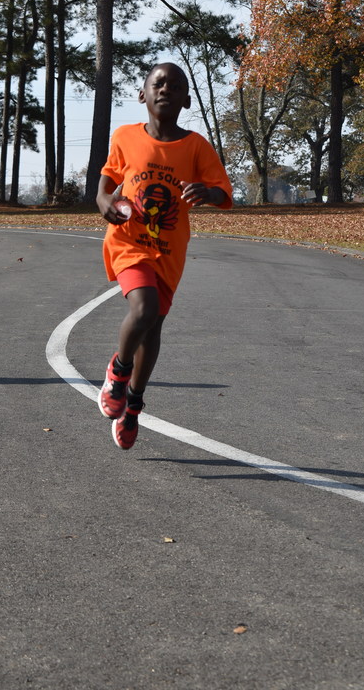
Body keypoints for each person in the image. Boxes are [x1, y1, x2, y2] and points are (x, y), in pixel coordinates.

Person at [96, 62, 233, 449]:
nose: (165, 90)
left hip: (169, 252)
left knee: (153, 327)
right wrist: (104, 199)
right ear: (142, 94)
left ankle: (134, 406)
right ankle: (118, 373)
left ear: (186, 100)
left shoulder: (196, 146)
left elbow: (222, 191)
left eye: (174, 86)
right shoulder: (125, 136)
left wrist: (207, 193)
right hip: (128, 242)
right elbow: (107, 179)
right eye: (157, 83)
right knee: (143, 309)